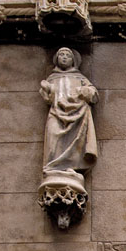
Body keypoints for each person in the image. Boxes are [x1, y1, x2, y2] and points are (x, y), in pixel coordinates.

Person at [40, 47, 98, 176]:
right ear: (56, 59)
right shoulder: (52, 78)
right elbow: (48, 99)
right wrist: (47, 89)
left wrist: (86, 92)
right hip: (56, 113)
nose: (64, 57)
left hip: (77, 114)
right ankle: (53, 166)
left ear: (73, 60)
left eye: (68, 55)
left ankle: (71, 165)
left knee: (76, 140)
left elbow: (93, 94)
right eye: (61, 55)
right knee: (53, 135)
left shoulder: (80, 78)